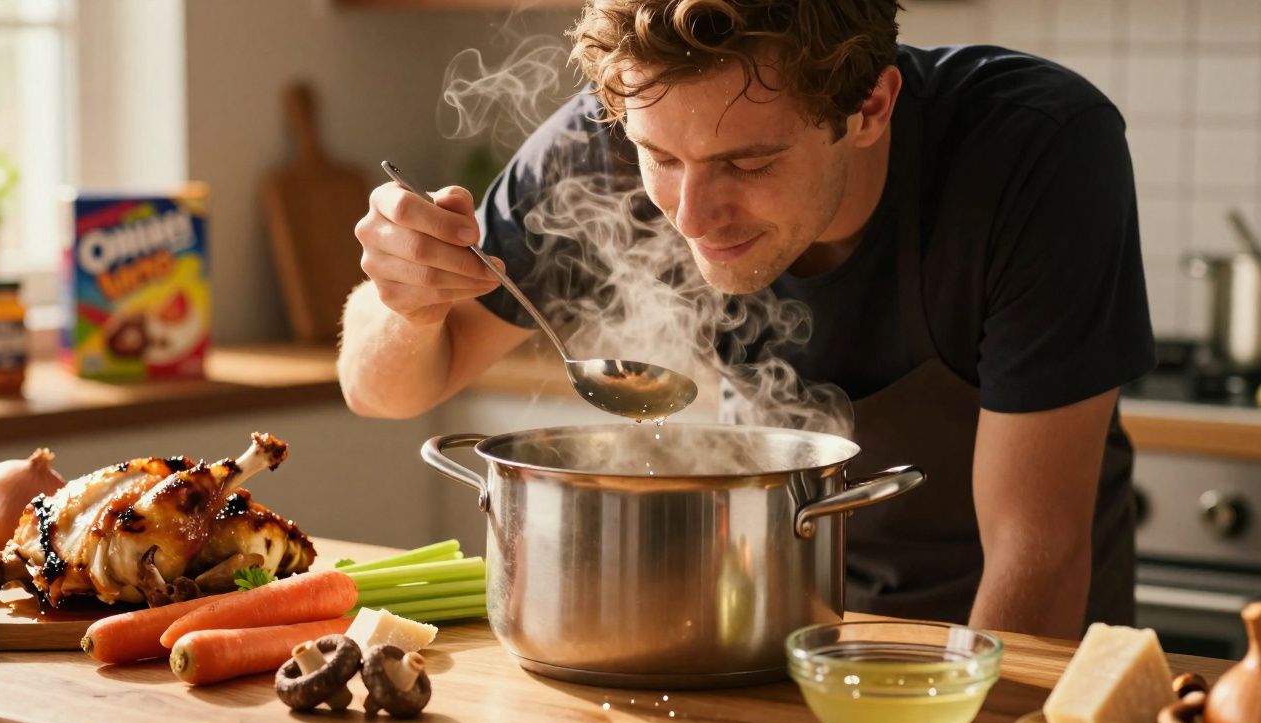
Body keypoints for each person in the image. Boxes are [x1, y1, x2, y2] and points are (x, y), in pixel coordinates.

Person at [338, 0, 1155, 639]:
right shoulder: (601, 141)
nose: (694, 215)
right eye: (662, 159)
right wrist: (405, 303)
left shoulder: (1035, 151)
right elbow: (385, 392)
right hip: (767, 629)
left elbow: (1036, 555)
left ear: (871, 106)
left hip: (1008, 647)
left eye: (748, 164)